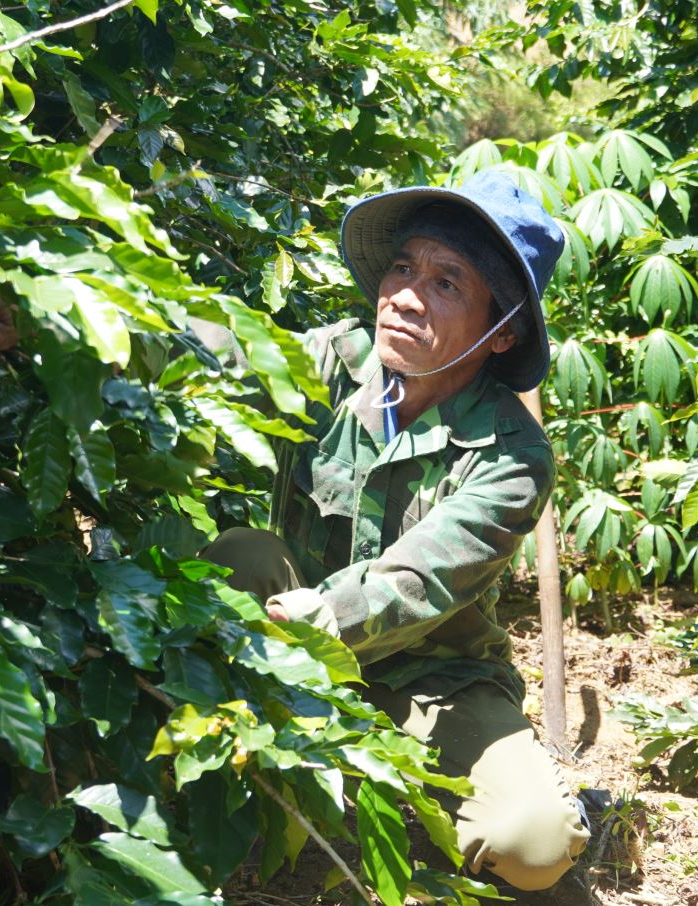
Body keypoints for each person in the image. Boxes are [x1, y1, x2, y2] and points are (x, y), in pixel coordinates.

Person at [200, 171, 591, 891]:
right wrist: (82, 318)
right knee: (240, 556)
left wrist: (319, 617)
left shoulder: (513, 456)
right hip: (298, 640)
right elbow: (218, 349)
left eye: (448, 284)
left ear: (501, 334)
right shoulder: (330, 363)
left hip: (432, 677)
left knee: (534, 847)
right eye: (404, 267)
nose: (406, 296)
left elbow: (422, 575)